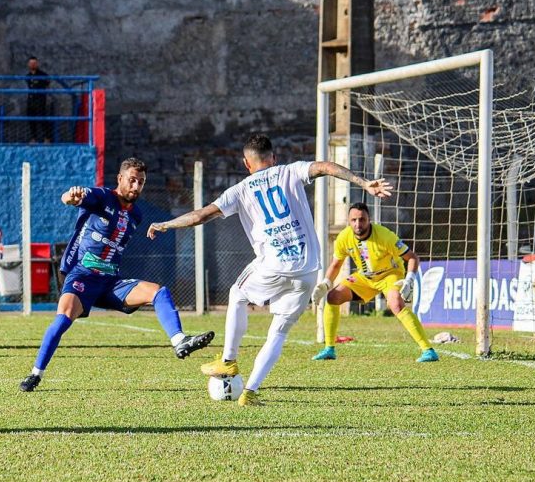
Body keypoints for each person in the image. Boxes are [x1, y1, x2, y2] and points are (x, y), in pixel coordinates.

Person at [146, 133, 393, 406]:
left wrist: (166, 225)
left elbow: (201, 215)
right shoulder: (290, 171)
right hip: (308, 269)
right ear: (273, 157)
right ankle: (249, 393)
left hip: (274, 265)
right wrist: (364, 183)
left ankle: (228, 360)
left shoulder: (240, 189)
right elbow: (325, 166)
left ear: (246, 163)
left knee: (237, 293)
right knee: (279, 331)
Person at [19, 158, 214, 392]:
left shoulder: (136, 215)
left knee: (158, 292)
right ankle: (35, 374)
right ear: (120, 179)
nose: (135, 186)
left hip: (111, 281)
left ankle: (179, 341)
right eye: (131, 180)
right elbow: (73, 198)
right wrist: (70, 197)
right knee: (63, 318)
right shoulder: (102, 197)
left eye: (140, 182)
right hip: (82, 276)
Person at [311, 201, 439, 363]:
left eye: (362, 219)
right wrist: (326, 284)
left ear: (369, 219)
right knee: (333, 297)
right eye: (354, 220)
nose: (358, 224)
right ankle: (329, 349)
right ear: (349, 221)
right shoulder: (344, 237)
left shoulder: (385, 236)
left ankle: (428, 350)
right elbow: (336, 264)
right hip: (365, 277)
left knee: (396, 305)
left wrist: (410, 279)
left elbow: (412, 257)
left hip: (389, 275)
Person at [26, 56, 52, 143]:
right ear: (28, 64)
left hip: (40, 100)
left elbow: (48, 82)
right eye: (31, 63)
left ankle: (47, 138)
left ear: (37, 64)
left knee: (42, 119)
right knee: (31, 119)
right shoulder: (28, 76)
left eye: (34, 63)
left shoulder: (42, 75)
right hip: (31, 100)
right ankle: (34, 138)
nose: (33, 65)